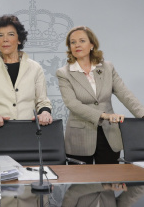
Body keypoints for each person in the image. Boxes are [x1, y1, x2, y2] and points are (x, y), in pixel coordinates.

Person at [56, 26, 144, 164]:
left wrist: (142, 114)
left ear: (92, 44)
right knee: (82, 184)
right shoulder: (63, 73)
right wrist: (104, 115)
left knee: (110, 181)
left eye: (82, 41)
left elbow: (124, 93)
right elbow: (72, 104)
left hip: (109, 135)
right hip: (80, 138)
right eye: (72, 42)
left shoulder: (107, 67)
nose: (77, 45)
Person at [0, 14, 52, 127]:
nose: (5, 39)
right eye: (0, 35)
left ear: (19, 39)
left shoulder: (35, 68)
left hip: (29, 132)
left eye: (10, 34)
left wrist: (45, 113)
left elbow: (43, 102)